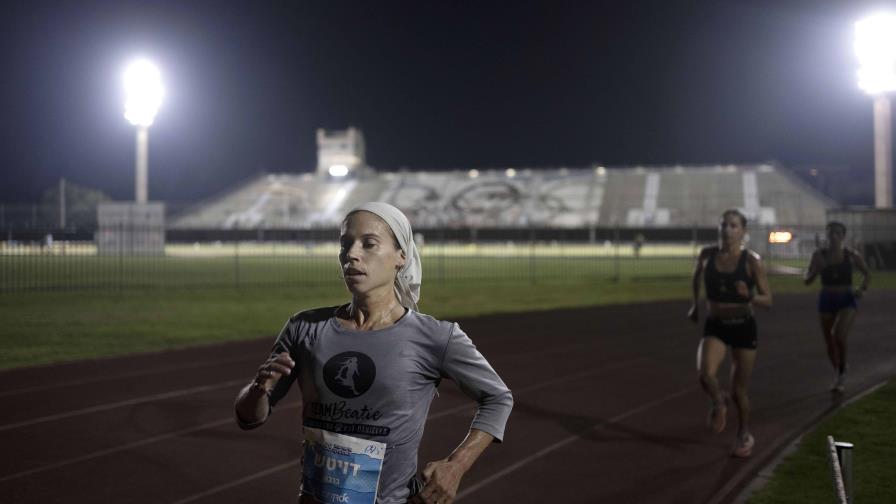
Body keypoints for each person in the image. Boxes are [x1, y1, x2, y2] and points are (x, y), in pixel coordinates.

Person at [234, 202, 513, 504]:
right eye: (345, 244)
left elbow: (498, 397)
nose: (352, 254)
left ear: (401, 256)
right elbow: (249, 418)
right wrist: (258, 389)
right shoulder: (304, 327)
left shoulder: (435, 337)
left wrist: (456, 466)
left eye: (369, 243)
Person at [687, 209, 772, 458]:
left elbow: (768, 300)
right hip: (716, 325)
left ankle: (744, 432)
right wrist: (695, 304)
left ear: (743, 231)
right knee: (705, 374)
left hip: (743, 326)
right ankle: (717, 401)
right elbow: (695, 278)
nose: (727, 230)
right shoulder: (706, 255)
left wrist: (750, 296)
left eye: (733, 226)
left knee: (738, 391)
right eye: (723, 225)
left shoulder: (751, 261)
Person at [803, 221, 870, 392]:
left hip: (846, 298)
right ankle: (840, 373)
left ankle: (841, 372)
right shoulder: (819, 255)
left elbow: (867, 274)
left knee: (838, 335)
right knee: (829, 342)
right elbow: (807, 280)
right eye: (830, 233)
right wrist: (816, 271)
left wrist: (861, 289)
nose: (833, 236)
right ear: (826, 235)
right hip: (827, 299)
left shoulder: (851, 255)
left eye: (837, 233)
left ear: (843, 236)